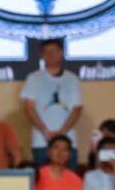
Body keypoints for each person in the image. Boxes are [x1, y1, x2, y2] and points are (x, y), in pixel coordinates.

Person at [21, 39, 82, 167]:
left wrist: (62, 133)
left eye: (54, 51)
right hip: (42, 141)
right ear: (42, 55)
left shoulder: (72, 79)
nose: (51, 55)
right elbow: (28, 108)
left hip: (67, 141)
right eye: (47, 52)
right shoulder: (33, 78)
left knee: (69, 178)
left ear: (61, 53)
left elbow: (77, 109)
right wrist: (45, 131)